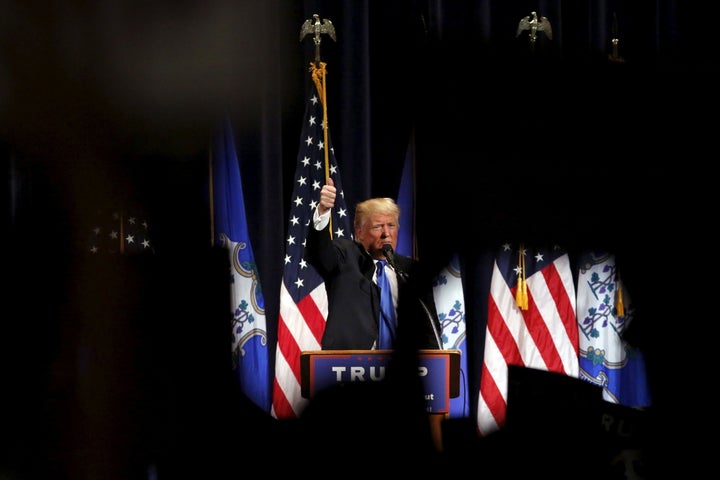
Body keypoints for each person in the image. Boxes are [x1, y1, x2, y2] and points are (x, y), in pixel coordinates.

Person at [305, 177, 442, 351]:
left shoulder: (411, 271)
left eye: (391, 225)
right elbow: (320, 253)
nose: (386, 233)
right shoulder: (345, 256)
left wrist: (436, 366)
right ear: (359, 232)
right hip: (350, 366)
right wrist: (323, 211)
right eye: (378, 227)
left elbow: (430, 330)